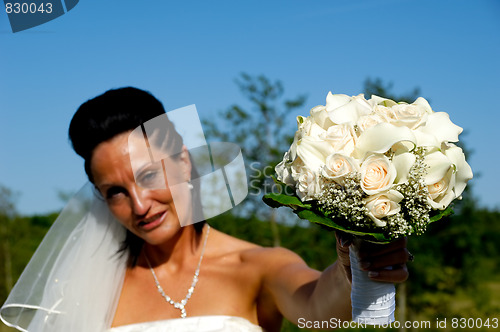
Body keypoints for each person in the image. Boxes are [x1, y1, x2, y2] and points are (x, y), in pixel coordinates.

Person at [0, 87, 410, 332]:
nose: (140, 205)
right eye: (115, 192)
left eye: (148, 176)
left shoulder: (257, 266)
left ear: (182, 160)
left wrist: (351, 264)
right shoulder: (89, 288)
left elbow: (319, 309)